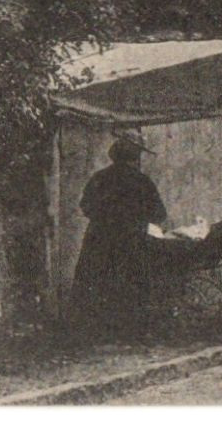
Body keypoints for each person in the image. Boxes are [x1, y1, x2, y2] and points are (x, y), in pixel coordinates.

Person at [70, 132, 169, 340]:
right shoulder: (142, 182)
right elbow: (159, 214)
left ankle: (93, 334)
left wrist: (105, 218)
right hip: (130, 241)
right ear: (135, 157)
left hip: (99, 240)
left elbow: (85, 206)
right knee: (129, 284)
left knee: (96, 282)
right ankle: (127, 334)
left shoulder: (99, 178)